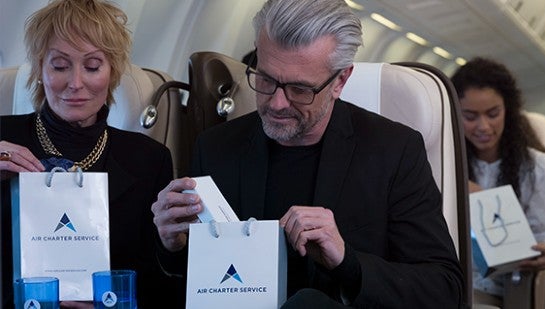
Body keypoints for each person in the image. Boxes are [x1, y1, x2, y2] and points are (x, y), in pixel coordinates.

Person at [152, 0, 464, 307]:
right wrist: (174, 247)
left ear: (340, 81)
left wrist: (347, 261)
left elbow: (444, 290)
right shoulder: (216, 148)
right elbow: (198, 287)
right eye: (265, 79)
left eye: (300, 89)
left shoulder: (393, 151)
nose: (276, 104)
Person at [0, 0, 184, 308]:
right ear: (40, 69)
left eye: (92, 66)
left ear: (112, 72)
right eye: (59, 65)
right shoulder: (4, 140)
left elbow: (162, 285)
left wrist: (173, 245)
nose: (75, 83)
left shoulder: (150, 159)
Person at [451, 57, 545, 306]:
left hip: (513, 288)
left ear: (509, 110)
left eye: (493, 114)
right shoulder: (444, 166)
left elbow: (541, 237)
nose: (483, 126)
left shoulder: (539, 168)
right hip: (454, 284)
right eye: (470, 116)